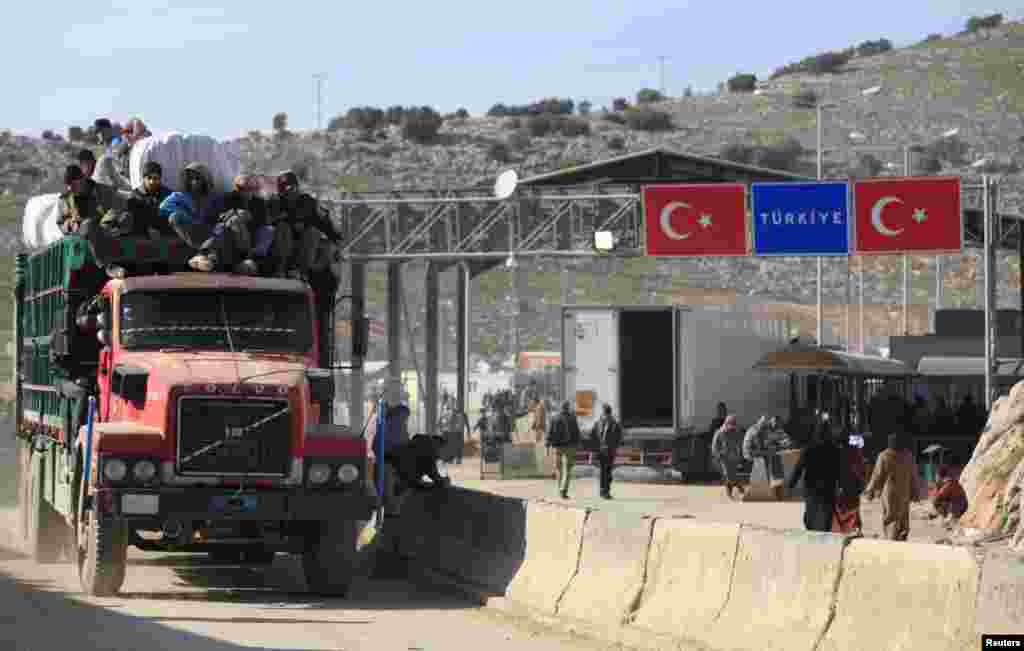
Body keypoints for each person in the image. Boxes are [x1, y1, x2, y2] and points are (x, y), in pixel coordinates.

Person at [188, 175, 277, 274]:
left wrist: (250, 218)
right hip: (232, 236)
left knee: (268, 230)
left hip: (249, 239)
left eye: (250, 189)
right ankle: (202, 254)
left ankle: (253, 260)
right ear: (236, 187)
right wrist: (233, 214)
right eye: (241, 188)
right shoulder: (227, 198)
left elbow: (264, 223)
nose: (245, 192)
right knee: (223, 225)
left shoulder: (259, 203)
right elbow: (217, 217)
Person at [268, 171, 342, 277]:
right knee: (283, 227)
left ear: (297, 187)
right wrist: (289, 221)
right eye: (286, 190)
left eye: (293, 188)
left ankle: (301, 272)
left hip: (303, 244)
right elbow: (269, 221)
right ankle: (280, 270)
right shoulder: (275, 202)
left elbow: (323, 222)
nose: (290, 192)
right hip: (281, 244)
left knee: (313, 232)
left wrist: (335, 239)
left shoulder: (308, 202)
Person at [57, 164, 125, 278]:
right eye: (68, 185)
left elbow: (119, 205)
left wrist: (106, 221)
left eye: (73, 184)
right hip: (81, 234)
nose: (70, 188)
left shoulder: (102, 190)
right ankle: (107, 265)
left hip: (106, 228)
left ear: (82, 180)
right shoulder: (65, 199)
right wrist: (69, 224)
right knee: (88, 225)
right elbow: (61, 222)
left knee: (126, 218)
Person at [159, 163, 225, 263]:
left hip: (207, 228)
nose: (194, 182)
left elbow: (220, 213)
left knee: (224, 225)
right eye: (191, 179)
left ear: (204, 180)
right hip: (190, 227)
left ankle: (203, 253)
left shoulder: (213, 196)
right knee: (174, 217)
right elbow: (163, 206)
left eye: (197, 179)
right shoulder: (180, 195)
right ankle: (203, 252)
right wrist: (184, 212)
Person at [864, 433, 920, 541]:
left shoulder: (884, 455)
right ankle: (902, 537)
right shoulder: (908, 456)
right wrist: (915, 493)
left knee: (891, 518)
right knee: (903, 517)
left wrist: (870, 491)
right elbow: (914, 476)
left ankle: (891, 541)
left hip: (890, 493)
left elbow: (877, 475)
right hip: (904, 493)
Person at [787, 424, 841, 532]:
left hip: (811, 489)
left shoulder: (809, 449)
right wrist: (842, 485)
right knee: (826, 515)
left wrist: (790, 485)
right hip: (828, 488)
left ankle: (812, 532)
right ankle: (823, 533)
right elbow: (840, 469)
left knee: (811, 512)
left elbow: (798, 468)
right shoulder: (835, 450)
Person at [127, 161, 173, 239]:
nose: (152, 182)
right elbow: (134, 220)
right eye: (149, 178)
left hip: (164, 235)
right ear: (143, 178)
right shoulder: (135, 195)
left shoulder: (168, 195)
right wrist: (146, 229)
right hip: (141, 236)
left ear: (160, 179)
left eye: (155, 178)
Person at [546, 401, 581, 499]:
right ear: (568, 408)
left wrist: (548, 444)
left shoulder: (554, 418)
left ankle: (561, 489)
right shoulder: (572, 418)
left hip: (558, 447)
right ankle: (563, 490)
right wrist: (578, 444)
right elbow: (577, 432)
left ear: (560, 408)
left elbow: (550, 432)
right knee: (567, 470)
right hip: (569, 446)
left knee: (559, 469)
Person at [833, 435, 867, 535]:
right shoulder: (856, 452)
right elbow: (861, 470)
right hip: (853, 488)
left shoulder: (838, 453)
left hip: (844, 488)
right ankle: (856, 529)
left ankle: (848, 530)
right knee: (854, 509)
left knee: (844, 511)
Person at [588, 404, 623, 499]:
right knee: (604, 471)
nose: (604, 415)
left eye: (605, 413)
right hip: (601, 451)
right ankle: (604, 491)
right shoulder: (598, 423)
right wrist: (595, 448)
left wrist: (614, 447)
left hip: (610, 451)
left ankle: (604, 490)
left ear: (607, 413)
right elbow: (592, 435)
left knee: (607, 472)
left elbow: (619, 437)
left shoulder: (615, 423)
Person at [712, 414, 745, 499]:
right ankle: (740, 489)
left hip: (734, 457)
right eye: (731, 424)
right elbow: (715, 446)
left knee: (733, 475)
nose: (732, 426)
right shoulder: (720, 432)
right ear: (726, 423)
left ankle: (731, 493)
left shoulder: (736, 432)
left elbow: (739, 444)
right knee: (729, 475)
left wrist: (740, 455)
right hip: (724, 458)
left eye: (734, 424)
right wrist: (718, 455)